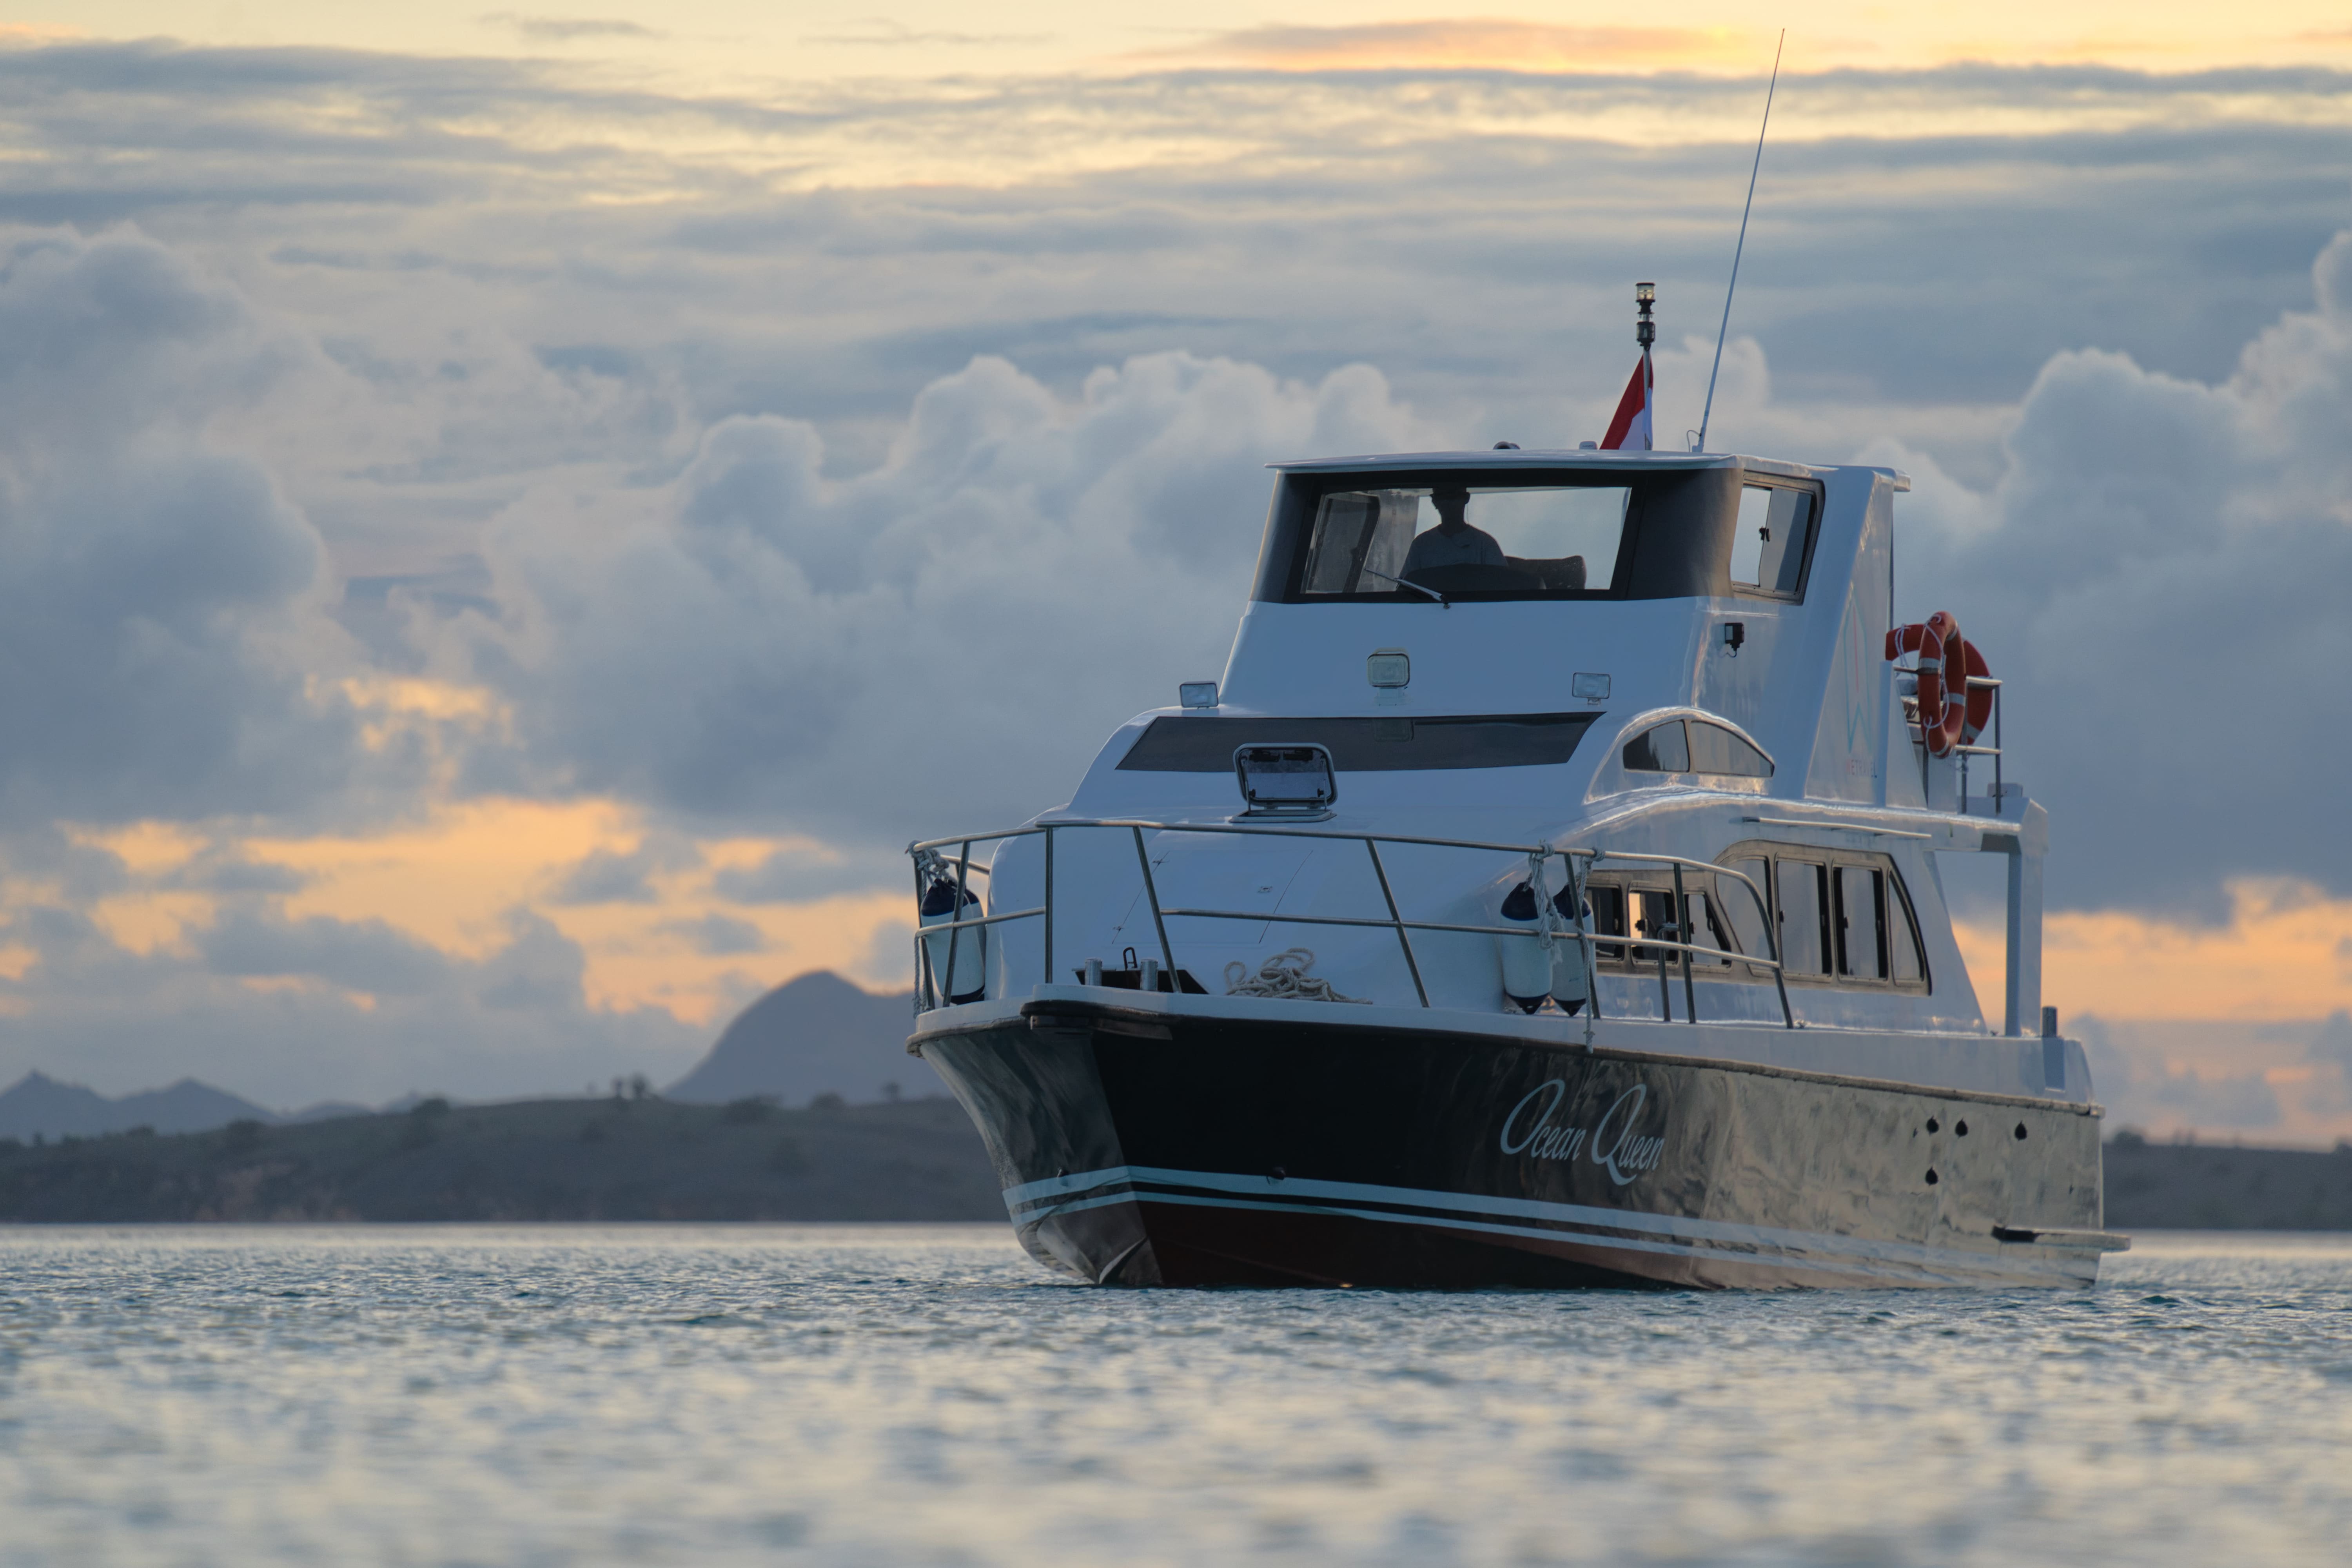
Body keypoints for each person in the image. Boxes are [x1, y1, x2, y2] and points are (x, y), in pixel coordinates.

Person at [1400, 486, 1504, 579]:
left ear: (1466, 498)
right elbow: (1405, 589)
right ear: (1435, 501)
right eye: (1442, 497)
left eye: (1454, 497)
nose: (1448, 503)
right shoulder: (1421, 545)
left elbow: (1503, 586)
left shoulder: (1485, 544)